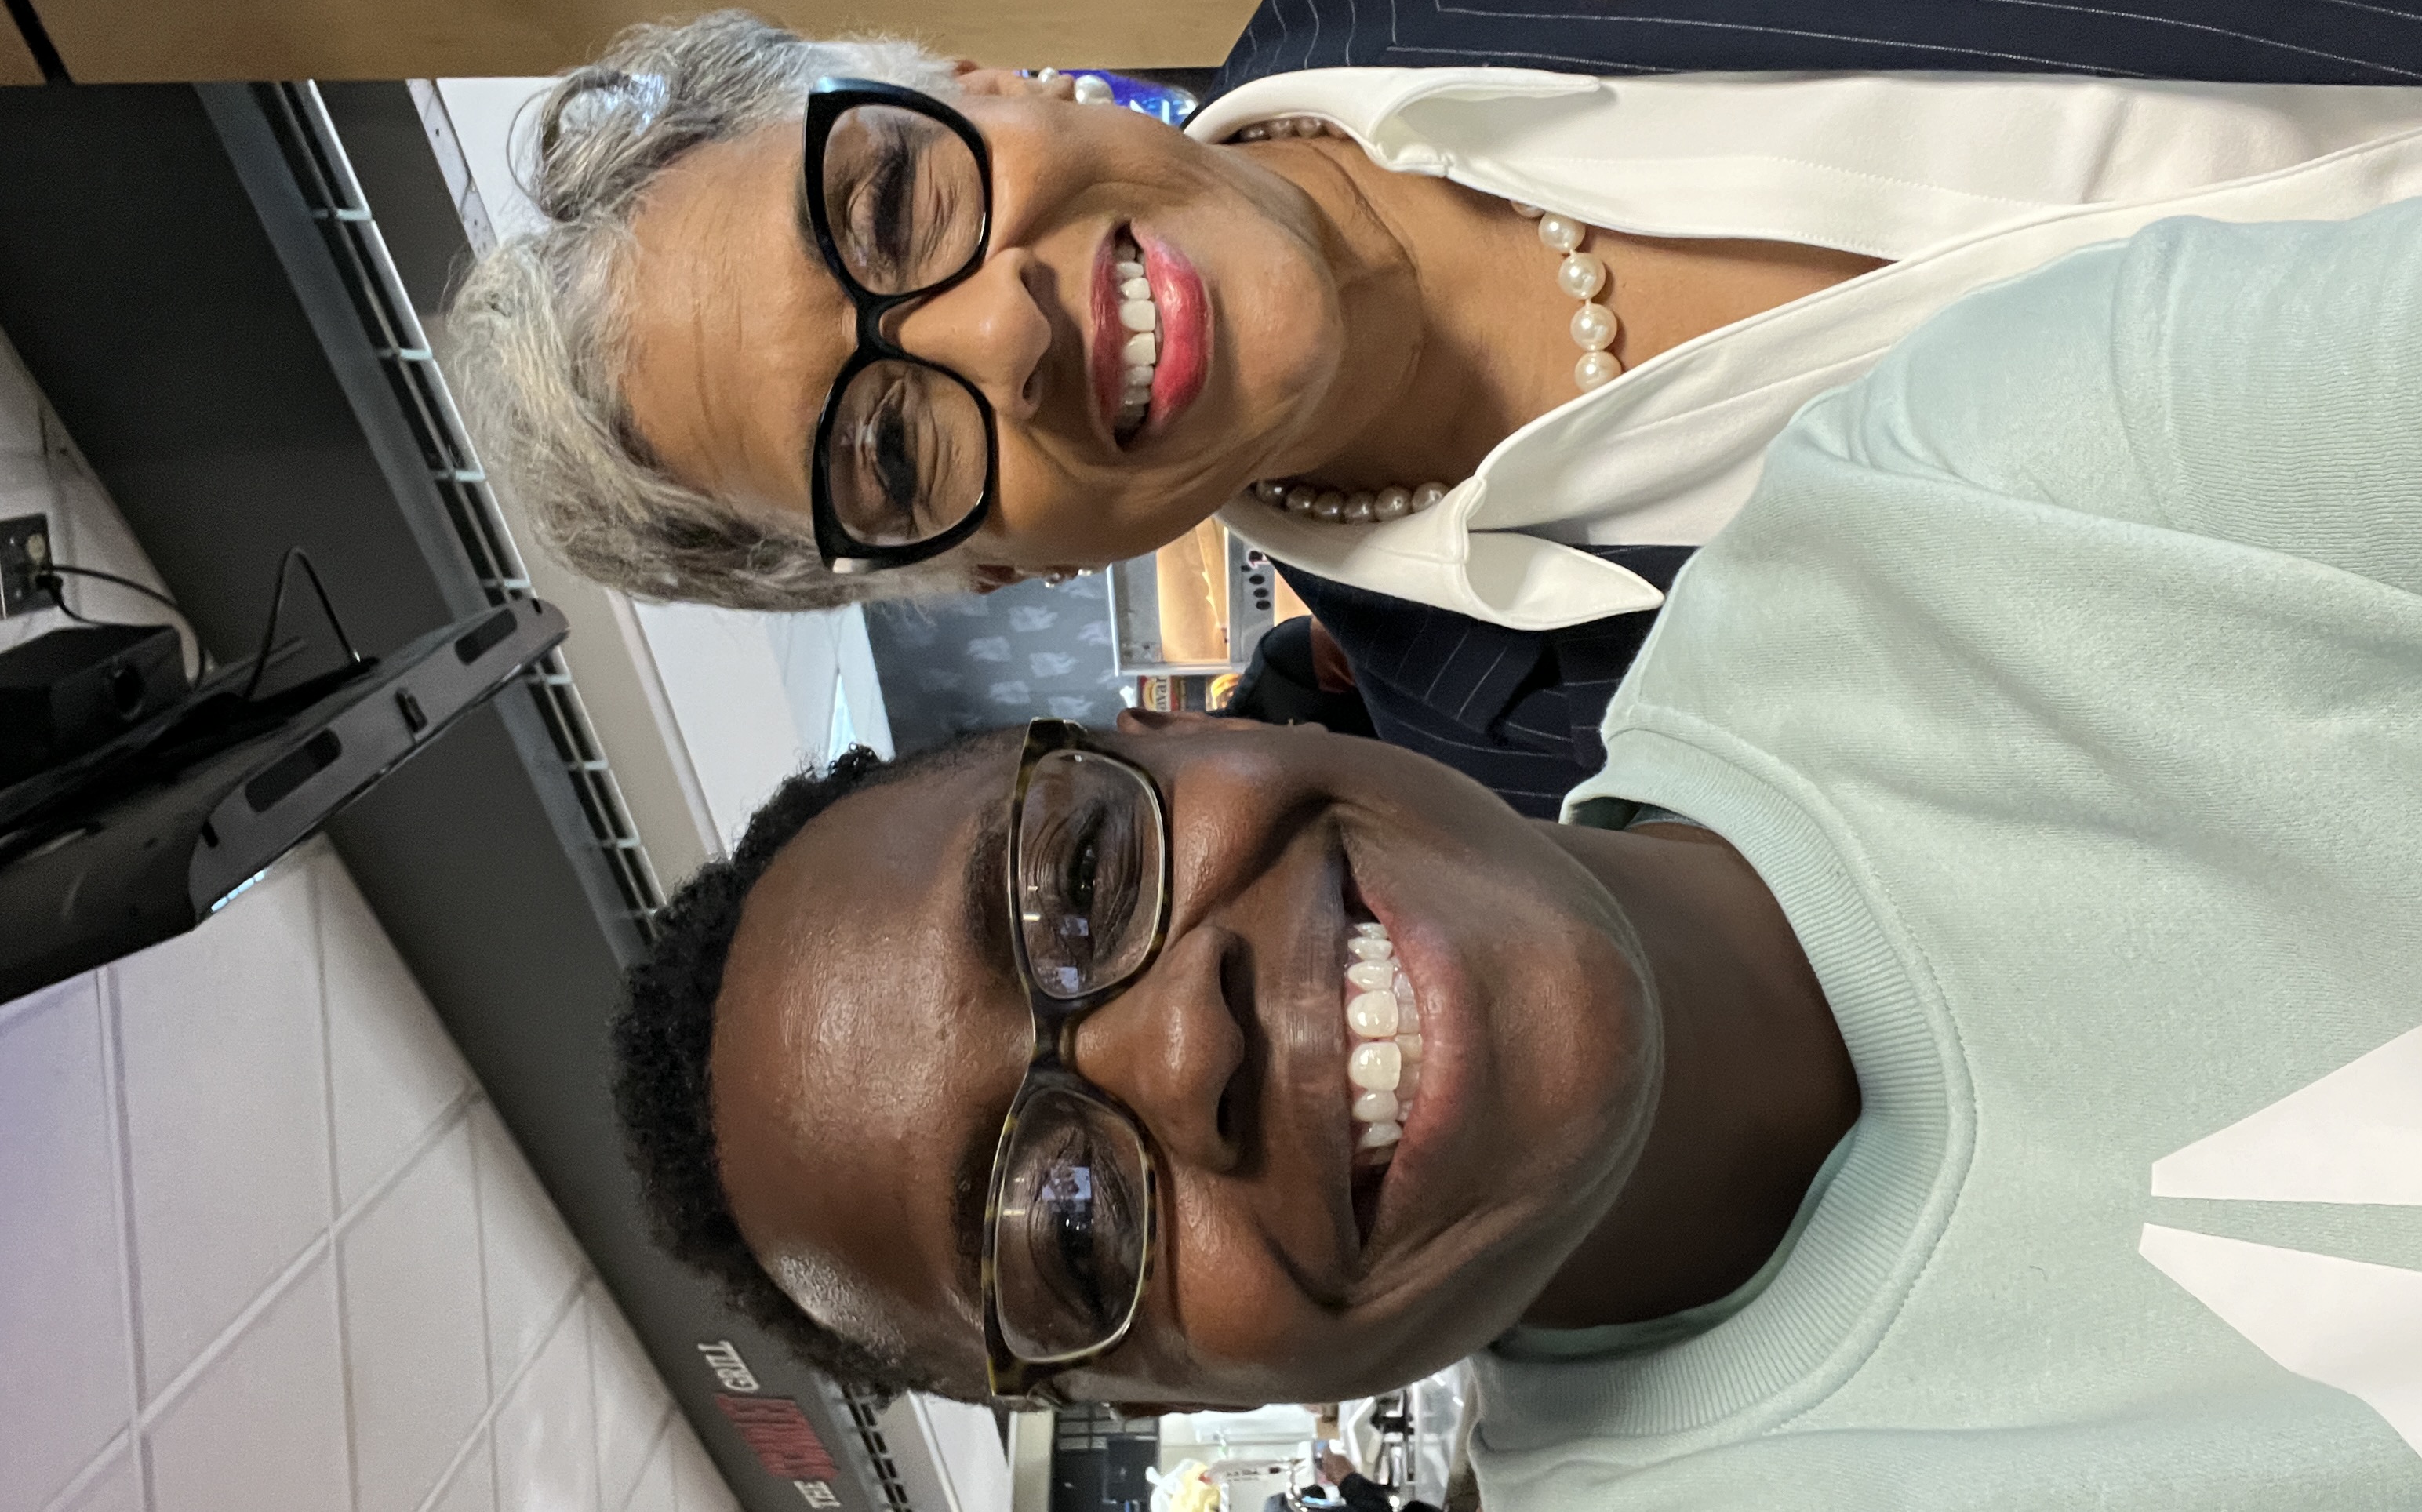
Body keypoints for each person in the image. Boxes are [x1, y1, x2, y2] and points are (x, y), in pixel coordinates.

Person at [609, 198, 2422, 1506]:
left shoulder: (1988, 494)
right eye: (1070, 1232)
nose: (1181, 1047)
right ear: (1164, 1399)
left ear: (1173, 727)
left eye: (1078, 882)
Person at [449, 0, 2422, 812]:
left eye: (891, 205)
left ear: (971, 77)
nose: (996, 330)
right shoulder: (1590, 789)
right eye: (890, 448)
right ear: (986, 568)